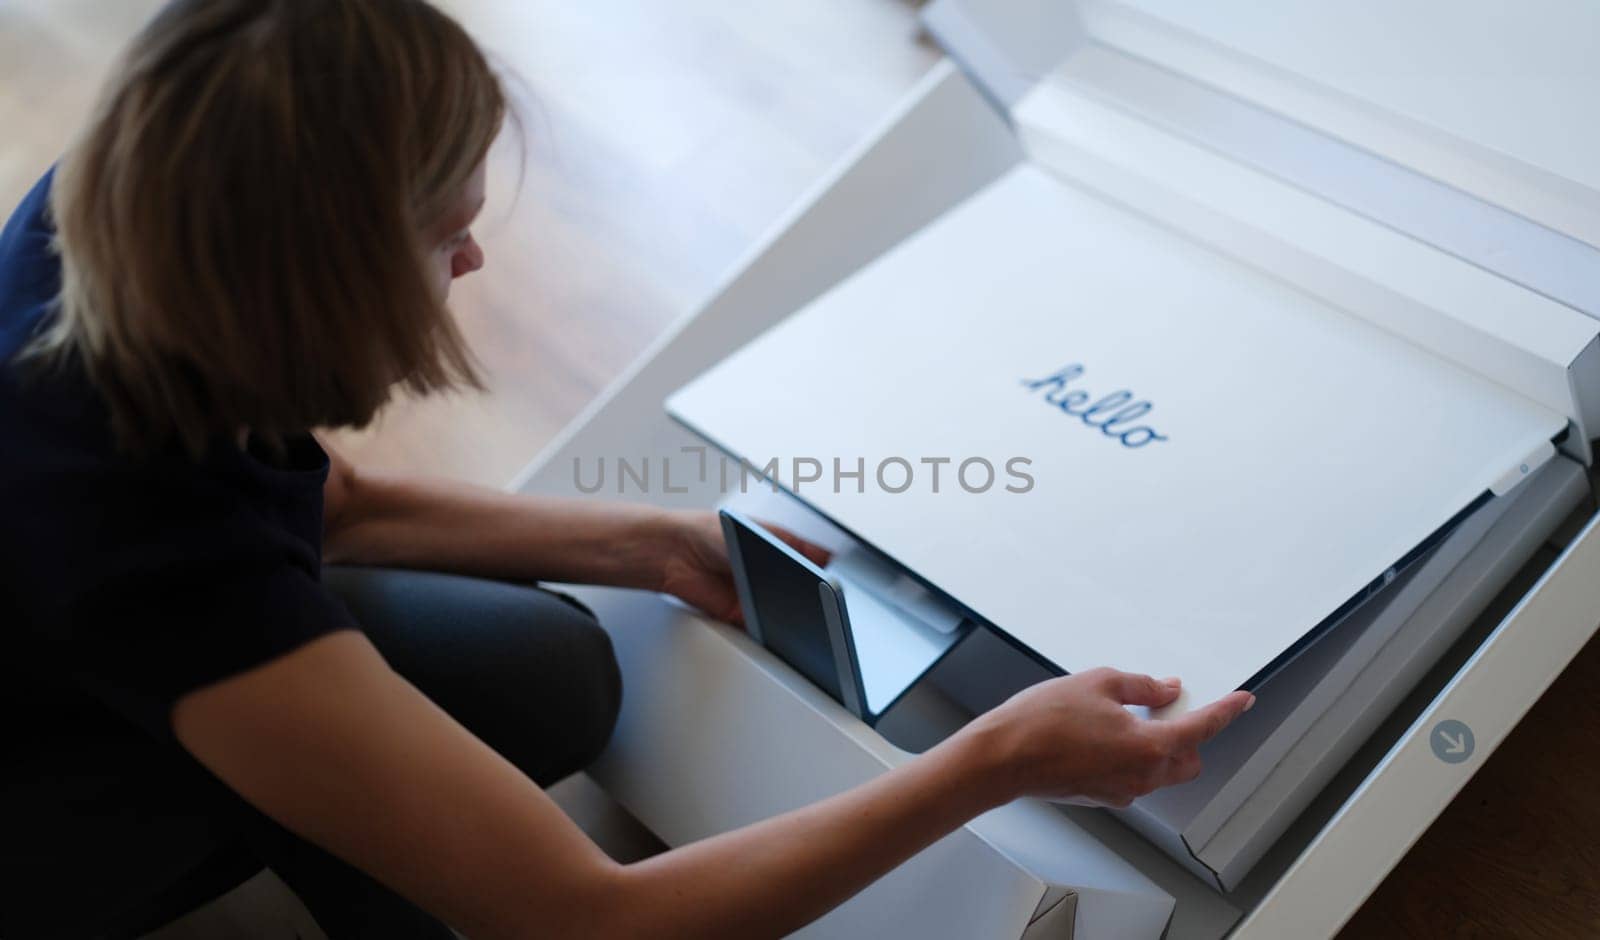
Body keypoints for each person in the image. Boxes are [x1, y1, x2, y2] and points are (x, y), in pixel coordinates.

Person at [0, 2, 1254, 937]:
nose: (477, 260)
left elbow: (323, 504)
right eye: (446, 234)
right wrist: (993, 761)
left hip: (96, 628)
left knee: (551, 672)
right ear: (320, 280)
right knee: (455, 861)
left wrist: (646, 544)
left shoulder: (128, 215)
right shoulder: (151, 552)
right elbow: (587, 922)